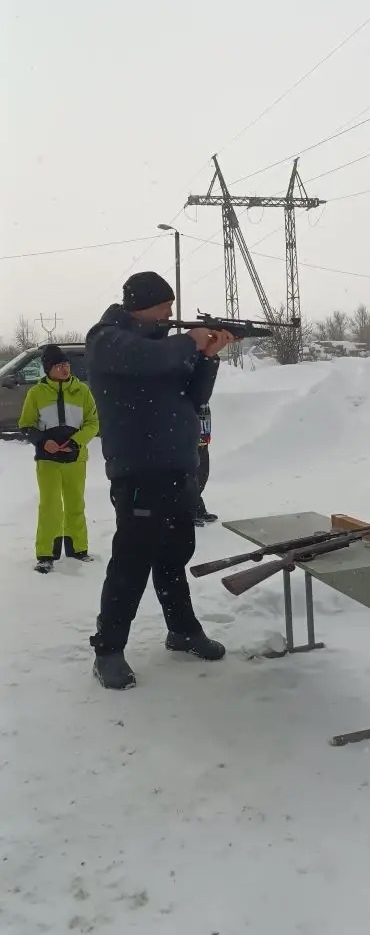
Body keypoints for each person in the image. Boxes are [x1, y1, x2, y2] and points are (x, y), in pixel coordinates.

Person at [85, 270, 235, 689]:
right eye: (165, 307)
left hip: (176, 467)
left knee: (174, 554)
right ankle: (108, 650)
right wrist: (190, 340)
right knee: (131, 562)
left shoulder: (161, 345)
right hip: (138, 470)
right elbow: (145, 358)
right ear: (141, 305)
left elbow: (194, 396)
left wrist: (208, 356)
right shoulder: (107, 339)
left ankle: (182, 630)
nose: (171, 314)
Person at [18, 344, 99, 573]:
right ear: (48, 369)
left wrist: (75, 442)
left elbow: (93, 423)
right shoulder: (36, 393)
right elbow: (26, 425)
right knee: (50, 506)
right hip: (48, 461)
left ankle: (78, 549)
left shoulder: (82, 391)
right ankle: (46, 554)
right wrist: (43, 441)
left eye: (66, 364)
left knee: (76, 504)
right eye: (59, 366)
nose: (65, 369)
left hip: (76, 458)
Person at [194, 402, 218, 526]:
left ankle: (197, 508)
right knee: (191, 477)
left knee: (202, 475)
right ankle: (189, 511)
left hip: (203, 440)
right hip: (189, 441)